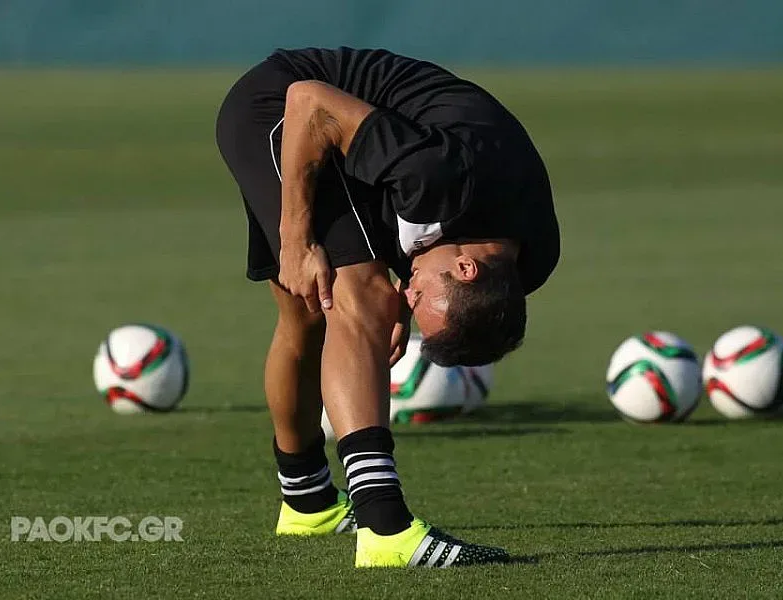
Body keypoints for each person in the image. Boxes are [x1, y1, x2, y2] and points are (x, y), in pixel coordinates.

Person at [216, 47, 560, 568]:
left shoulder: (526, 259)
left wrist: (407, 290)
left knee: (309, 314)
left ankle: (307, 502)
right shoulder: (439, 174)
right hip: (285, 107)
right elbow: (308, 102)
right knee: (362, 299)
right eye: (420, 295)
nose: (409, 295)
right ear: (467, 270)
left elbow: (425, 229)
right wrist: (296, 237)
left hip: (362, 141)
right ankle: (385, 527)